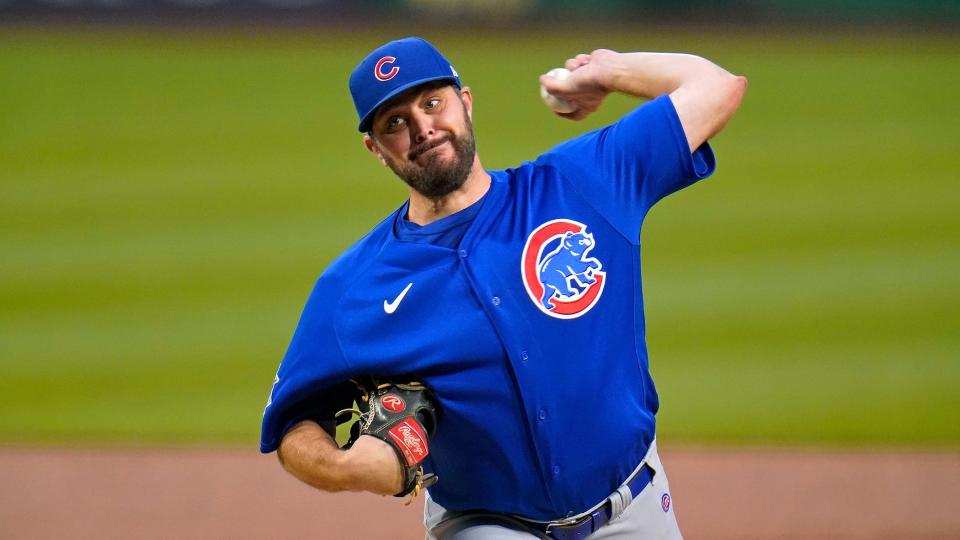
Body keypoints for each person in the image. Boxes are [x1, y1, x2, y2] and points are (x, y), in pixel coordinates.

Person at [260, 36, 746, 539]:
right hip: (486, 526)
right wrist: (348, 468)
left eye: (431, 103)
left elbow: (717, 88)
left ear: (465, 102)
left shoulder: (580, 183)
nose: (423, 128)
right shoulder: (353, 288)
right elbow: (294, 424)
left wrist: (608, 72)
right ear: (376, 149)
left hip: (635, 511)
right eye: (395, 123)